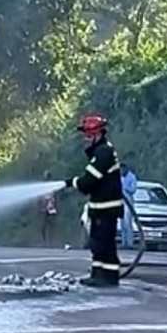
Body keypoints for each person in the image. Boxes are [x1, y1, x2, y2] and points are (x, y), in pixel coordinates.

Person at [65, 113, 124, 287]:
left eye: (88, 136)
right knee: (98, 244)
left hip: (107, 209)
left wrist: (72, 182)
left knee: (105, 244)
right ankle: (98, 275)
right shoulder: (100, 151)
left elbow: (88, 181)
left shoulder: (103, 152)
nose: (85, 139)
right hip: (100, 208)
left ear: (98, 134)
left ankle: (109, 278)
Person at [121, 162, 138, 250]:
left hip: (128, 202)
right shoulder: (119, 177)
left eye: (123, 169)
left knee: (128, 223)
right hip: (121, 202)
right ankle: (124, 242)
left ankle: (130, 243)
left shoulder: (132, 177)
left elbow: (133, 189)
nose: (122, 171)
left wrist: (125, 188)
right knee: (122, 223)